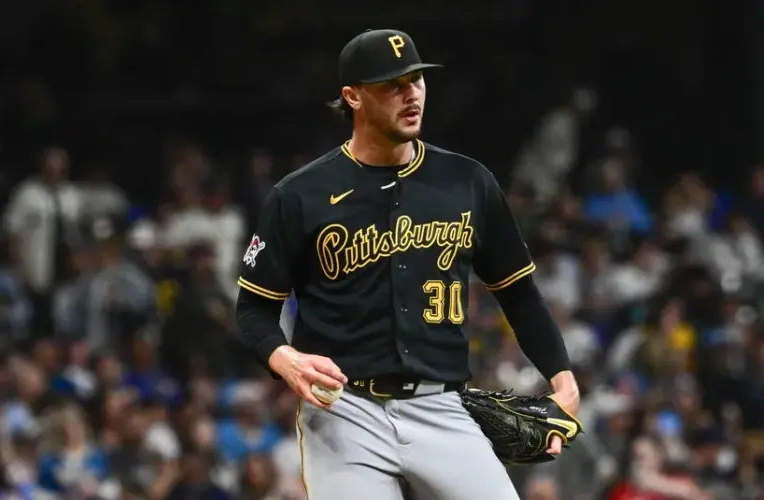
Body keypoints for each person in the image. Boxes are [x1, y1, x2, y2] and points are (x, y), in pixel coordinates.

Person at [234, 28, 580, 500]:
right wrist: (285, 359)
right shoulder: (299, 196)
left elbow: (519, 294)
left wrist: (562, 376)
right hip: (344, 412)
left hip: (444, 406)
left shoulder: (468, 181)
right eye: (391, 85)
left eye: (416, 79)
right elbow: (252, 311)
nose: (410, 93)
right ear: (352, 97)